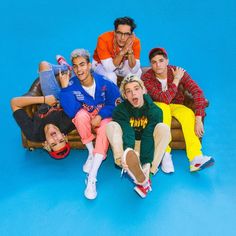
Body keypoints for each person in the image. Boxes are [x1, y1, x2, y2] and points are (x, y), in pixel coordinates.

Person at [58, 48, 121, 200]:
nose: (79, 69)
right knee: (79, 116)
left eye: (82, 64)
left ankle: (92, 178)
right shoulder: (71, 85)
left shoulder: (104, 81)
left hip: (103, 117)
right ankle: (91, 152)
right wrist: (65, 89)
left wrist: (101, 115)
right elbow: (72, 111)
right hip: (86, 117)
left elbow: (117, 103)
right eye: (75, 66)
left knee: (105, 127)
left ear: (89, 65)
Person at [141, 47, 214, 173]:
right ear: (151, 64)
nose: (158, 65)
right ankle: (165, 153)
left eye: (161, 60)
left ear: (167, 61)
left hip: (176, 105)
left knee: (188, 113)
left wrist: (198, 119)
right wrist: (176, 80)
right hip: (158, 105)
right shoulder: (147, 77)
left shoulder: (178, 71)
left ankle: (195, 158)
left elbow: (197, 92)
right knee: (163, 110)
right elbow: (163, 99)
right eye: (154, 62)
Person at [106, 74, 171, 198]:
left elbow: (148, 135)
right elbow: (127, 132)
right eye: (128, 91)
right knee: (111, 126)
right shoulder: (120, 110)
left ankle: (147, 173)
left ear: (143, 90)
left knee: (164, 129)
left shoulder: (155, 110)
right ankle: (123, 162)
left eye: (136, 89)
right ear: (125, 96)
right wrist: (128, 152)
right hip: (130, 145)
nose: (133, 94)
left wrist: (147, 162)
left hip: (148, 144)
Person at [10, 95, 74, 159]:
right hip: (63, 95)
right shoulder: (69, 122)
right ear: (64, 136)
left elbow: (14, 103)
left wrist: (44, 99)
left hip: (47, 95)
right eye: (61, 140)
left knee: (47, 85)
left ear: (46, 144)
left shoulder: (33, 133)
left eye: (53, 144)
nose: (56, 139)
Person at [92, 16, 142, 84]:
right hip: (100, 64)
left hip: (121, 63)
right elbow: (108, 68)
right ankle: (115, 95)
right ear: (115, 32)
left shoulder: (135, 41)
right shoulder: (103, 39)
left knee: (138, 72)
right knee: (110, 76)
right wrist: (124, 50)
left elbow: (134, 70)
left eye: (126, 34)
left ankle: (129, 93)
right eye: (119, 33)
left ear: (131, 35)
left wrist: (129, 50)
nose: (122, 37)